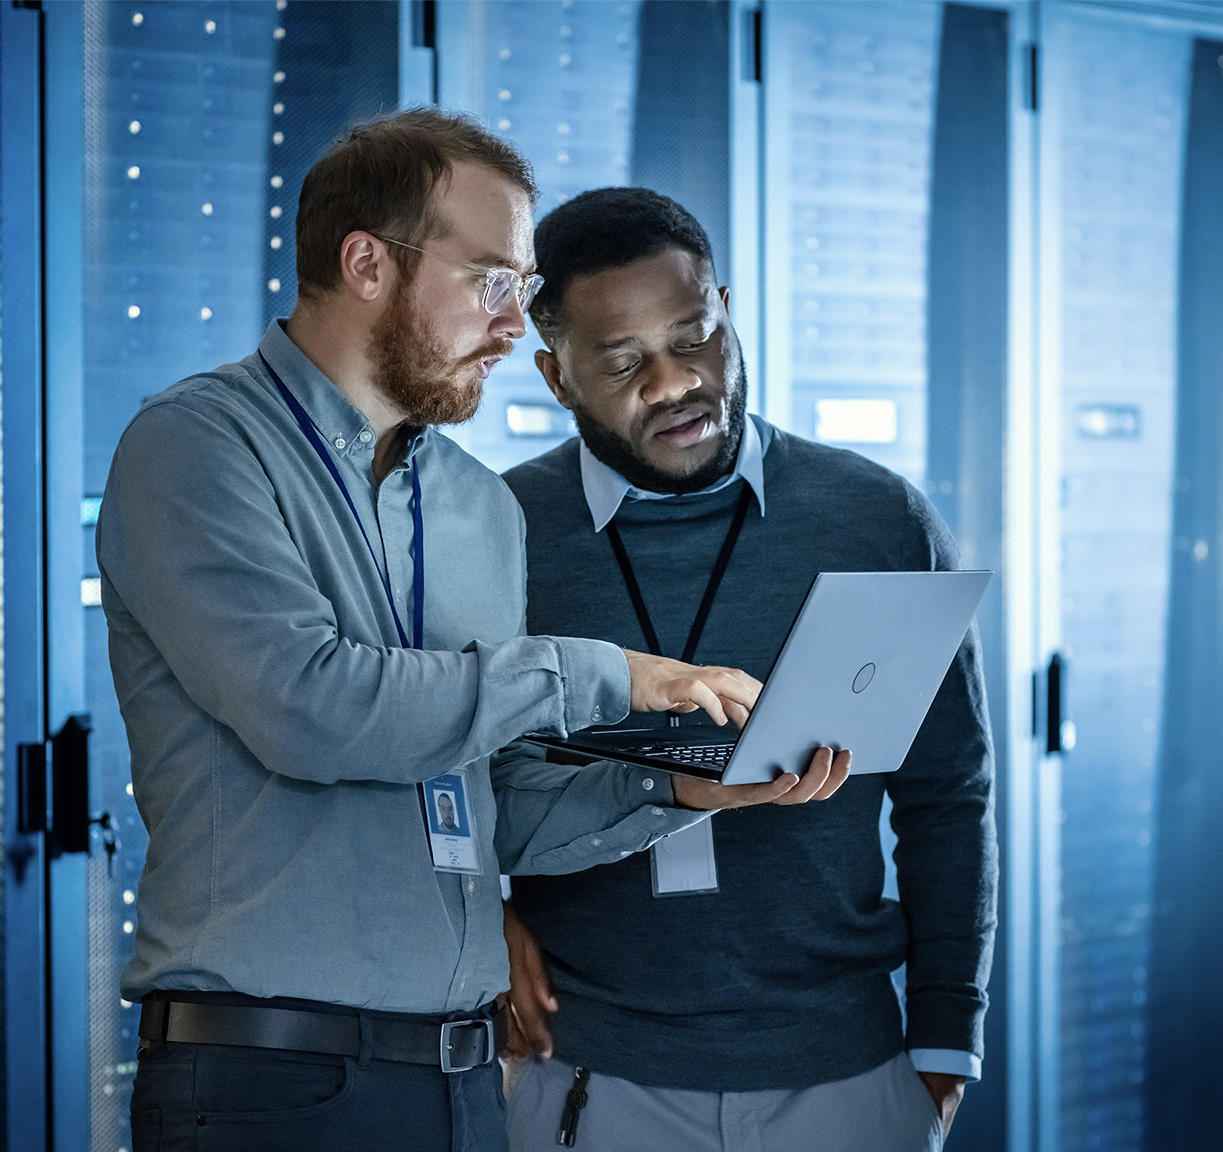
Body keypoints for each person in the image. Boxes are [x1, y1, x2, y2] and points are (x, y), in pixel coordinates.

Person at [96, 113, 852, 1152]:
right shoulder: (196, 448)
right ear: (366, 262)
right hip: (266, 1081)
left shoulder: (475, 507)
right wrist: (610, 676)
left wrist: (676, 790)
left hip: (459, 1084)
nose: (514, 326)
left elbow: (493, 807)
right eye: (492, 281)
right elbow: (311, 710)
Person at [497, 188, 997, 1152]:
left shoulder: (874, 516)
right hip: (593, 1075)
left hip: (846, 1076)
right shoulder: (504, 536)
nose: (676, 382)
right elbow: (443, 777)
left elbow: (950, 796)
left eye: (696, 337)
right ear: (557, 378)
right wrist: (488, 916)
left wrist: (945, 1040)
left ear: (726, 307)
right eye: (623, 362)